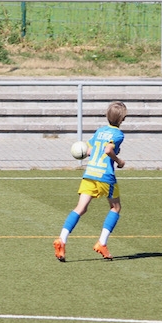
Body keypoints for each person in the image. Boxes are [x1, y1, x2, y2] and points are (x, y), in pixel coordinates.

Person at [53, 101, 128, 262]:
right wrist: (119, 161)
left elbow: (88, 150)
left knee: (80, 208)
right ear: (122, 119)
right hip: (105, 175)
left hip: (90, 173)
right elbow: (108, 150)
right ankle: (102, 243)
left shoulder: (100, 131)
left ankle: (62, 239)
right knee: (115, 207)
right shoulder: (118, 134)